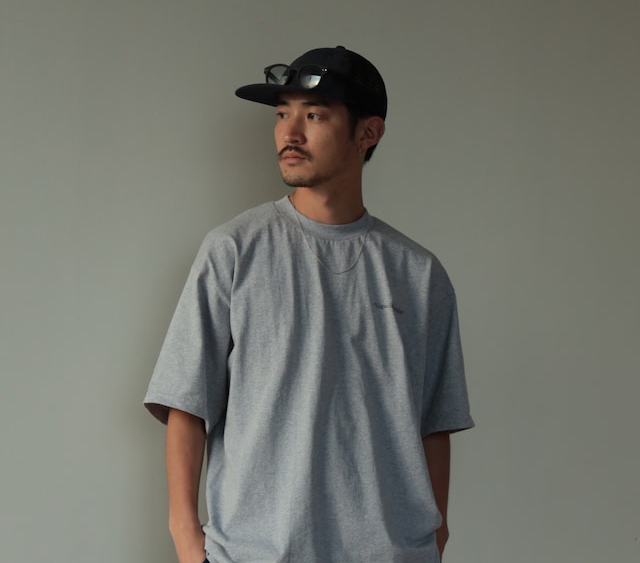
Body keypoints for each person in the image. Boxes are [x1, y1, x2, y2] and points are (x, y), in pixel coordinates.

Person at [144, 46, 474, 563]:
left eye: (314, 116)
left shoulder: (419, 274)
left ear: (368, 133)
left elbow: (434, 423)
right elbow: (186, 403)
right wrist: (188, 543)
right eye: (282, 114)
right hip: (258, 553)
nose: (289, 133)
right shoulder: (234, 250)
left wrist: (435, 536)